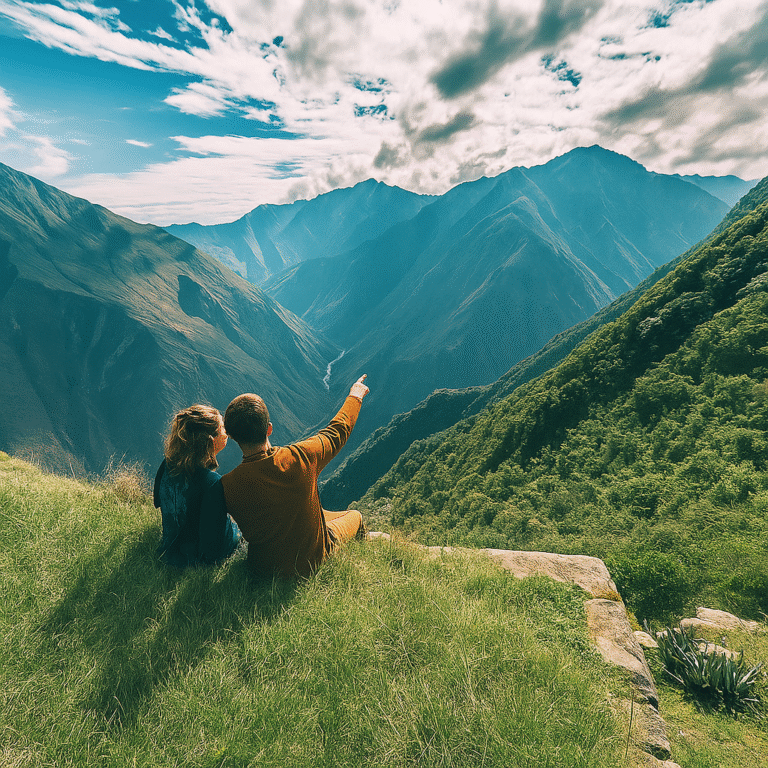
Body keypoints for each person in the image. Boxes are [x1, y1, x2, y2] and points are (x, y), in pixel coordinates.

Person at [220, 375, 370, 579]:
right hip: (313, 561)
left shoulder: (227, 485)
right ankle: (362, 566)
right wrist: (355, 395)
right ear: (269, 429)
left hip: (263, 570)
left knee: (322, 513)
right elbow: (337, 431)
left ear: (231, 435)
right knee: (355, 516)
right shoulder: (302, 457)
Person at [153, 404, 242, 568]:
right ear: (211, 440)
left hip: (171, 549)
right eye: (222, 428)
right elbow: (214, 544)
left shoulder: (166, 466)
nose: (226, 432)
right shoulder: (212, 482)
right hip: (194, 561)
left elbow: (158, 502)